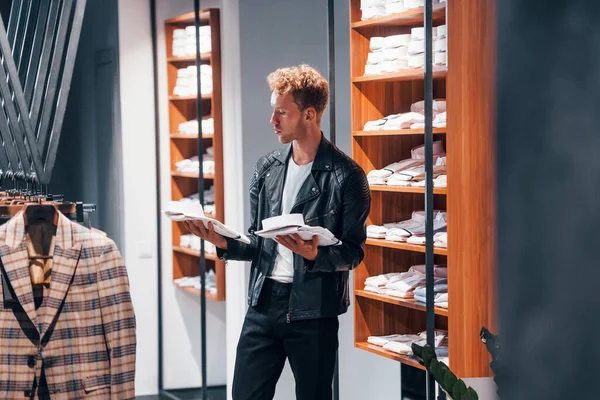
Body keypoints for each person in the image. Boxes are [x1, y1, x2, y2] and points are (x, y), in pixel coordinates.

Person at [183, 64, 371, 400]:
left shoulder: (347, 176)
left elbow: (354, 252)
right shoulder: (267, 168)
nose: (273, 121)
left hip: (314, 311)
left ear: (309, 114)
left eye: (281, 112)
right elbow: (260, 243)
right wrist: (222, 241)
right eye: (274, 111)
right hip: (263, 303)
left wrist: (315, 253)